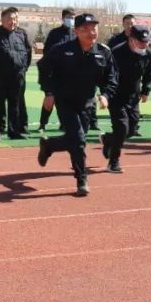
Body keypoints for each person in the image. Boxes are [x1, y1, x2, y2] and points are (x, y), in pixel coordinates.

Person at [37, 13, 119, 196]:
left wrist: (106, 95)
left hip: (87, 103)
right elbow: (43, 69)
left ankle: (50, 145)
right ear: (76, 31)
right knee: (79, 139)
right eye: (85, 29)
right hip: (65, 100)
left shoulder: (103, 52)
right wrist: (49, 92)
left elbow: (112, 78)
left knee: (75, 140)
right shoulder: (61, 50)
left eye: (94, 28)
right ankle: (82, 179)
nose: (91, 32)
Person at [102, 24, 151, 172]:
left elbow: (150, 73)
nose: (143, 45)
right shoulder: (116, 53)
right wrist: (105, 94)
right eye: (140, 42)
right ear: (131, 39)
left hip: (133, 97)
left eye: (146, 42)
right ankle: (113, 162)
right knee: (122, 128)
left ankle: (109, 139)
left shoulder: (149, 55)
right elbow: (106, 75)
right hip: (116, 96)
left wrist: (146, 90)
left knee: (131, 130)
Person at [0, 6, 32, 140]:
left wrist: (23, 69)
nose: (13, 21)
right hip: (0, 77)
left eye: (15, 19)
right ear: (3, 19)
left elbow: (28, 53)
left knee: (15, 105)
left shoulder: (22, 33)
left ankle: (14, 132)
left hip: (17, 76)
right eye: (10, 19)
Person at [37, 8, 76, 133]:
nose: (71, 20)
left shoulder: (76, 33)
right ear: (63, 18)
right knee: (50, 98)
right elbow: (47, 51)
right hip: (54, 72)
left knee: (65, 101)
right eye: (69, 17)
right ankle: (42, 124)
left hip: (69, 74)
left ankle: (64, 124)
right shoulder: (54, 33)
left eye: (73, 18)